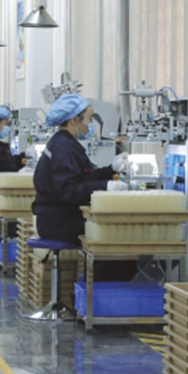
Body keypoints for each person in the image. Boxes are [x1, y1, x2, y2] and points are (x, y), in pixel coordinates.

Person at [32, 94, 132, 280]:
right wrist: (106, 187)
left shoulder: (66, 143)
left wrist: (111, 169)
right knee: (111, 234)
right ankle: (103, 292)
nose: (91, 124)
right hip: (58, 222)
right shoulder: (64, 148)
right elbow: (70, 191)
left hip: (59, 217)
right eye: (89, 118)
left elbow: (85, 177)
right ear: (73, 120)